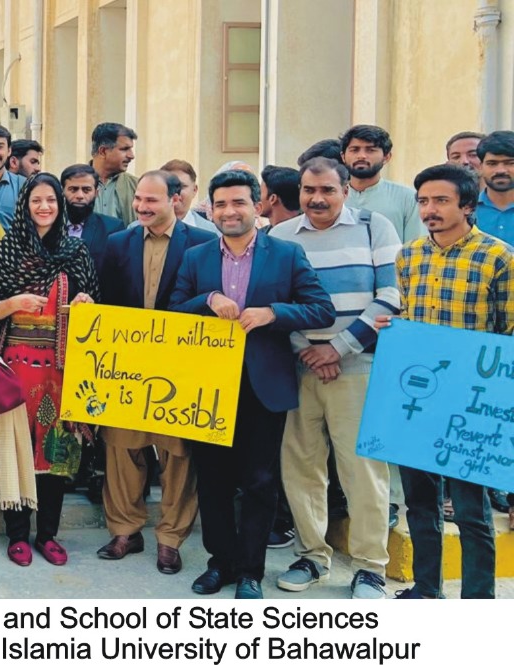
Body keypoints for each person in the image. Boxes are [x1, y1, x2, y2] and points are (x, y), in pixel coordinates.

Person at [169, 169, 335, 599]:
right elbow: (172, 313)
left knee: (260, 481)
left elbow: (321, 310)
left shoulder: (286, 253)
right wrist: (207, 300)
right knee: (213, 480)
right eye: (221, 204)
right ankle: (219, 563)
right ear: (211, 207)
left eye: (239, 202)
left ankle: (250, 572)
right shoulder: (197, 257)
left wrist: (273, 313)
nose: (229, 211)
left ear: (257, 205)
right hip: (208, 387)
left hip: (264, 384)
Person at [265, 157, 400, 600]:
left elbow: (390, 298)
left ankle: (369, 566)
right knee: (301, 466)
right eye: (308, 190)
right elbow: (274, 300)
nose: (316, 199)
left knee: (362, 470)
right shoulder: (282, 235)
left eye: (327, 190)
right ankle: (313, 555)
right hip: (299, 366)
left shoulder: (372, 226)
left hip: (357, 366)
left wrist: (338, 348)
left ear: (346, 189)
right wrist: (308, 348)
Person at [381, 164, 511, 599]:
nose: (430, 210)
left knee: (471, 511)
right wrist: (392, 326)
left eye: (441, 201)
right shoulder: (410, 255)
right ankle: (425, 588)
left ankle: (477, 600)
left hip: (471, 401)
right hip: (418, 395)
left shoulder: (499, 257)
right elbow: (409, 316)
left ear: (467, 205)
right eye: (423, 202)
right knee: (420, 501)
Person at [0, 173, 100, 567]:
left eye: (51, 200)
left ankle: (47, 534)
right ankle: (16, 534)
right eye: (36, 201)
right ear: (24, 205)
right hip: (14, 368)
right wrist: (9, 305)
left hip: (59, 372)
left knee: (55, 453)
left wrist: (85, 300)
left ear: (60, 206)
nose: (44, 207)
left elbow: (93, 301)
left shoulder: (75, 252)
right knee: (14, 449)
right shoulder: (6, 251)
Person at [96, 170, 216, 574]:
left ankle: (170, 538)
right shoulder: (118, 244)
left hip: (178, 365)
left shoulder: (203, 244)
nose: (143, 207)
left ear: (176, 200)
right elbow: (107, 301)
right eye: (140, 200)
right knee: (121, 449)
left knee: (177, 454)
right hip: (127, 366)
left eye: (152, 200)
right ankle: (125, 531)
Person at [341, 124, 423, 242]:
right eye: (354, 150)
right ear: (343, 156)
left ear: (387, 157)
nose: (361, 156)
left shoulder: (408, 198)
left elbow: (415, 247)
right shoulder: (332, 197)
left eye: (370, 150)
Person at [60, 164, 125, 266]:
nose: (80, 196)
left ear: (96, 193)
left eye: (86, 190)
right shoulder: (48, 227)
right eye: (73, 189)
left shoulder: (112, 228)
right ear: (62, 191)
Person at [89, 123, 137, 224]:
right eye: (124, 149)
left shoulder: (137, 185)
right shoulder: (73, 184)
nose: (131, 156)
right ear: (103, 151)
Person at [475, 130, 514, 243]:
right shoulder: (465, 210)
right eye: (492, 163)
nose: (500, 170)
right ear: (481, 167)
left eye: (510, 163)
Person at [160, 159, 211, 229]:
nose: (175, 193)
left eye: (182, 186)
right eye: (169, 186)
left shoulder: (212, 232)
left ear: (194, 190)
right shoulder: (141, 230)